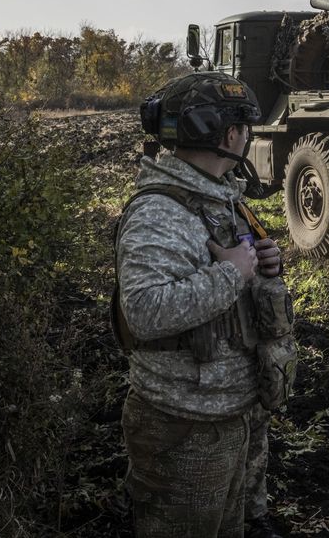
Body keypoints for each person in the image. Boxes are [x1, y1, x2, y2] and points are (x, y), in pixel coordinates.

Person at [116, 71, 295, 538]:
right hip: (186, 426)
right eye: (246, 127)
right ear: (230, 134)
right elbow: (145, 311)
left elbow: (231, 277)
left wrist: (260, 265)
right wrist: (232, 272)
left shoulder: (220, 196)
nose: (248, 136)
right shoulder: (160, 211)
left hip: (229, 410)